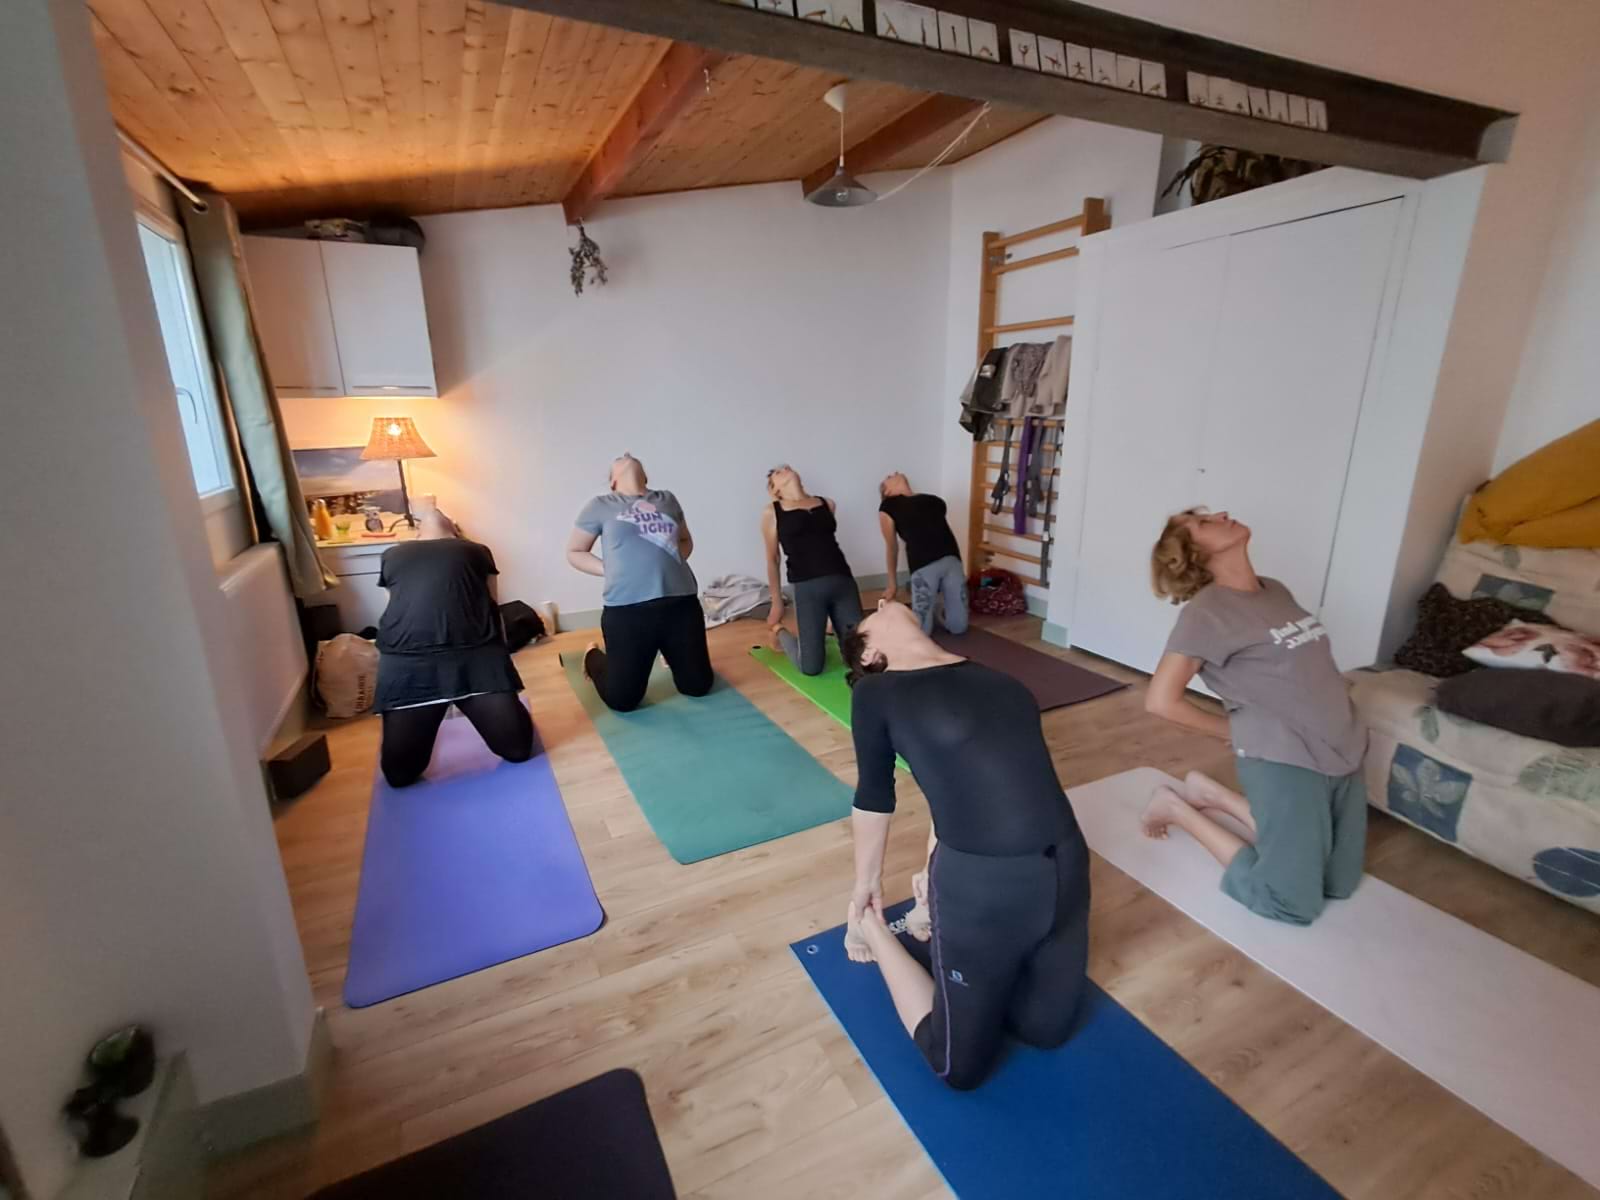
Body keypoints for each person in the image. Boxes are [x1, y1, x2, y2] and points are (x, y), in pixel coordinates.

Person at [840, 597, 1090, 1090]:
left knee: (1048, 1031)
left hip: (1067, 867)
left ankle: (945, 933)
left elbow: (963, 780)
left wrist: (931, 861)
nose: (887, 598)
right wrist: (865, 889)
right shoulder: (878, 692)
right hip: (984, 887)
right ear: (869, 655)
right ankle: (874, 931)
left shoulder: (988, 674)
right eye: (873, 612)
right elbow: (873, 795)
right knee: (957, 1067)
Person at [1142, 508, 1368, 925]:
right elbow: (1160, 700)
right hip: (1285, 757)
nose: (1221, 514)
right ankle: (1177, 809)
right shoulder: (1206, 613)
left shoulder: (1274, 590)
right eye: (1205, 522)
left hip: (1343, 745)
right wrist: (1234, 731)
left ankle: (1215, 796)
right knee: (1290, 903)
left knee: (1340, 882)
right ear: (1195, 554)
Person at [373, 509, 534, 788]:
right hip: (410, 665)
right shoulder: (394, 555)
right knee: (399, 775)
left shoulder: (474, 552)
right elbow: (399, 608)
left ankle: (503, 708)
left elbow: (491, 612)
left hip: (474, 658)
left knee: (518, 750)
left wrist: (502, 675)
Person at [567, 453, 713, 712]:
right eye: (618, 459)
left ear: (646, 476)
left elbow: (685, 540)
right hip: (627, 612)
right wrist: (609, 569)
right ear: (612, 481)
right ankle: (592, 656)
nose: (625, 455)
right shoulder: (600, 505)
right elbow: (575, 552)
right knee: (623, 700)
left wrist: (671, 563)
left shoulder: (666, 499)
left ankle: (671, 654)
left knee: (698, 687)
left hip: (681, 605)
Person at [761, 465, 862, 676]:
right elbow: (773, 559)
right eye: (778, 473)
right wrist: (777, 601)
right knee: (811, 667)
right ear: (775, 490)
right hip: (808, 588)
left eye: (785, 467)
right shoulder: (773, 511)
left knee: (859, 659)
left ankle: (829, 628)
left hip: (842, 582)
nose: (785, 469)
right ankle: (779, 632)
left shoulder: (827, 504)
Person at [878, 473, 967, 636]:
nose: (892, 474)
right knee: (922, 632)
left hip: (952, 559)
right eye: (888, 477)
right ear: (887, 491)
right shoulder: (888, 506)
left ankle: (938, 609)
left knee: (959, 627)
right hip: (923, 564)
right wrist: (892, 583)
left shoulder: (934, 501)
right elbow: (892, 547)